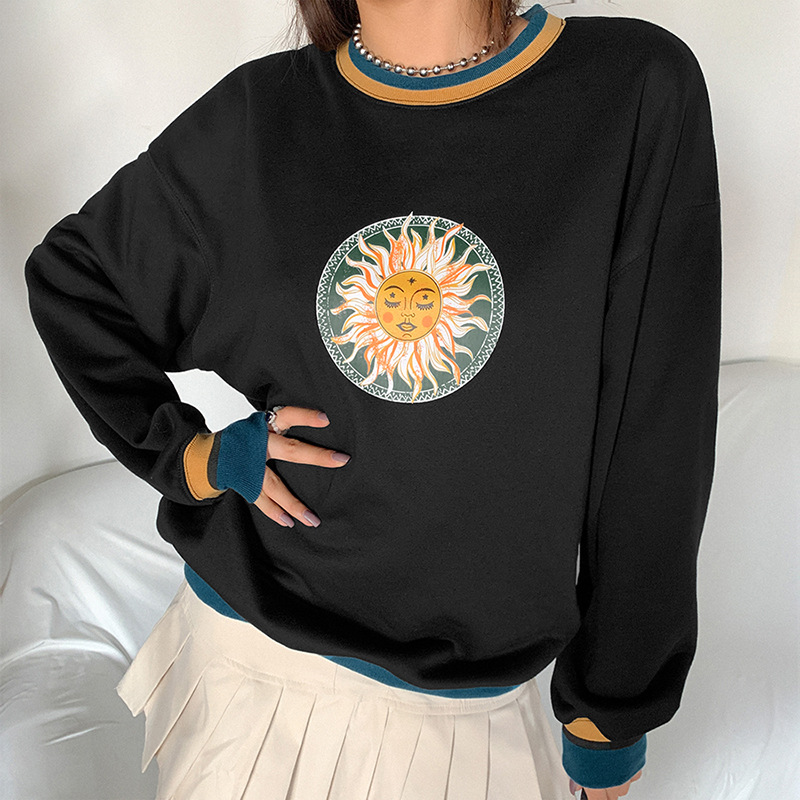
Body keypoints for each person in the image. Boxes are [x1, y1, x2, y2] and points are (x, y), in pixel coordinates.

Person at [24, 0, 721, 797]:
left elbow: (653, 424)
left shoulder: (630, 88)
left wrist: (611, 712)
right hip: (248, 674)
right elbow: (79, 282)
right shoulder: (259, 117)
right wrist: (195, 457)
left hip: (463, 715)